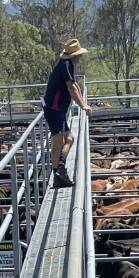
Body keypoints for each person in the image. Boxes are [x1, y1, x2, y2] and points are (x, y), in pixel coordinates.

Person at [43, 39, 91, 189]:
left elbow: (74, 84)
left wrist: (82, 97)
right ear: (74, 55)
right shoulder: (65, 65)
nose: (80, 57)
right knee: (58, 142)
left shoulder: (66, 64)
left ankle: (59, 170)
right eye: (79, 55)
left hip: (59, 109)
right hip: (54, 108)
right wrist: (83, 106)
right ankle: (58, 173)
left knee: (69, 138)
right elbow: (71, 87)